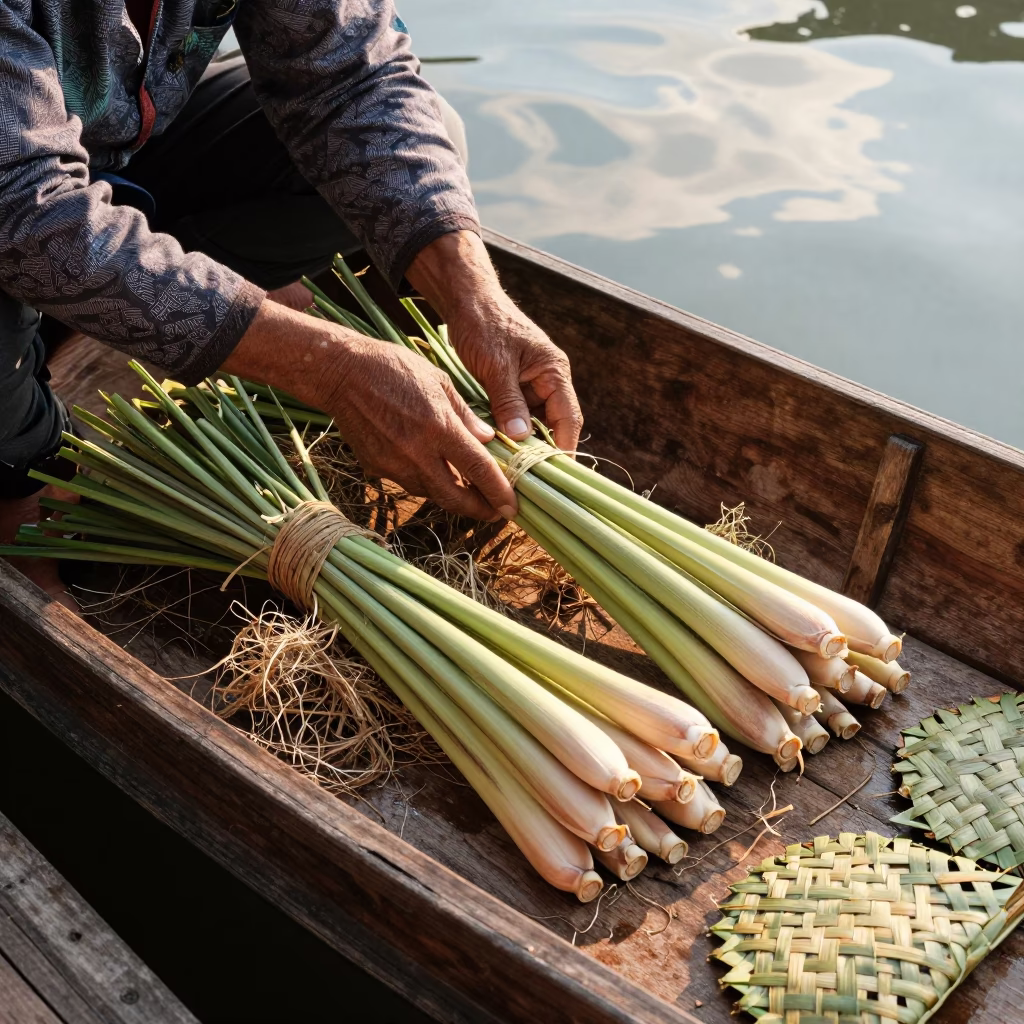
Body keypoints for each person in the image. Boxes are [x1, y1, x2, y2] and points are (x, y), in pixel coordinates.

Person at [0, 1, 582, 606]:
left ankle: (139, 298)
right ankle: (15, 484)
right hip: (14, 196)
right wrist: (325, 366)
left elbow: (353, 77)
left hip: (106, 157)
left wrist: (475, 296)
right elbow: (19, 210)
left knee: (423, 135)